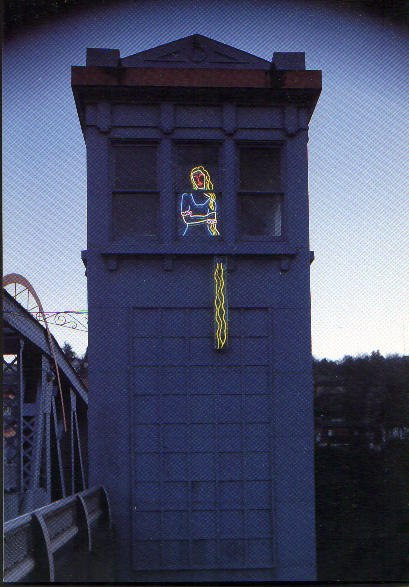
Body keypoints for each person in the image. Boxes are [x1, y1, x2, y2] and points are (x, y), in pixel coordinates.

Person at [180, 166, 220, 236]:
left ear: (206, 178)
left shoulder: (211, 199)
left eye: (201, 177)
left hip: (206, 234)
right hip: (190, 235)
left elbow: (212, 224)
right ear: (192, 180)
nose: (198, 181)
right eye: (195, 178)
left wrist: (216, 234)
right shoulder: (186, 196)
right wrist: (207, 218)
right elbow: (187, 220)